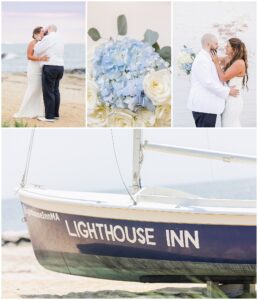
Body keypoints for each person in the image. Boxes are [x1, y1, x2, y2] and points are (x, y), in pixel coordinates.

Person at [187, 33, 239, 127]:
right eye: (215, 43)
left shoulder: (208, 58)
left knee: (207, 136)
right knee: (205, 137)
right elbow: (208, 83)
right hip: (204, 108)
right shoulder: (202, 60)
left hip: (207, 107)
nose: (218, 46)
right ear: (208, 44)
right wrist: (227, 91)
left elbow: (214, 78)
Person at [211, 38, 248, 127]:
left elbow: (223, 78)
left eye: (227, 46)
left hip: (234, 99)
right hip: (227, 97)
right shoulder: (228, 58)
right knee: (225, 125)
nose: (225, 48)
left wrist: (216, 63)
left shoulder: (239, 63)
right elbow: (212, 58)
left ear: (234, 49)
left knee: (230, 125)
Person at [13, 27, 48, 119]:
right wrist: (41, 58)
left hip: (40, 69)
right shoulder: (32, 43)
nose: (44, 33)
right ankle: (23, 111)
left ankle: (36, 111)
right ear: (37, 33)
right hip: (33, 69)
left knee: (38, 90)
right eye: (42, 31)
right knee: (32, 89)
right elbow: (29, 56)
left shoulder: (42, 43)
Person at [34, 24, 64, 122]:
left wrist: (40, 40)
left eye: (45, 29)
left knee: (48, 92)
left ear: (49, 29)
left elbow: (37, 51)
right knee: (55, 90)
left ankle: (49, 116)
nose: (44, 30)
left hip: (50, 67)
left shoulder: (48, 38)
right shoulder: (60, 38)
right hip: (60, 67)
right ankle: (55, 114)